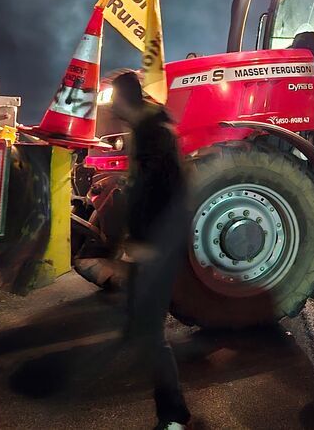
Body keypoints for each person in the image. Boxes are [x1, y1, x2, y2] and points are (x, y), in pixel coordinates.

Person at [110, 73, 193, 429]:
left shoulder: (153, 135)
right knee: (141, 324)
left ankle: (173, 416)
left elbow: (160, 192)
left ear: (124, 99)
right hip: (155, 241)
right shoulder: (149, 128)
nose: (111, 107)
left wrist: (146, 242)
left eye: (114, 99)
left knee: (151, 333)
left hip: (159, 244)